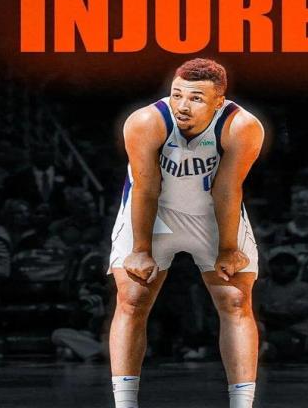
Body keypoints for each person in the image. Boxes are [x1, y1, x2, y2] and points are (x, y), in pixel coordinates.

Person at [108, 58, 264, 408]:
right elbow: (146, 188)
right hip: (155, 212)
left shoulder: (242, 126)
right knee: (132, 297)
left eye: (195, 98)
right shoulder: (146, 121)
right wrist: (141, 249)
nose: (182, 105)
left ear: (218, 102)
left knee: (235, 299)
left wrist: (228, 248)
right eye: (177, 94)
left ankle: (242, 404)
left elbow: (227, 189)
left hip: (210, 213)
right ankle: (125, 404)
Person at [254, 247, 308, 361]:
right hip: (260, 331)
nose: (282, 267)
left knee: (275, 339)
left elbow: (294, 317)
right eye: (277, 263)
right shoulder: (258, 287)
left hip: (294, 334)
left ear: (297, 266)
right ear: (269, 266)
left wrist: (263, 315)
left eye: (288, 264)